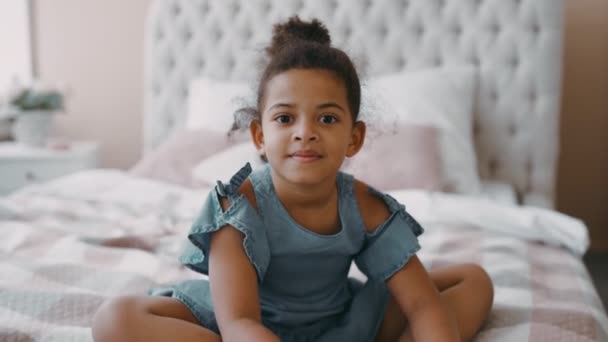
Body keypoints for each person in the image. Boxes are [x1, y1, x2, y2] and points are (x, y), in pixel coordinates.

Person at [92, 16, 493, 342]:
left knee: (472, 280)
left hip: (339, 324)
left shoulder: (366, 206)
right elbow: (238, 323)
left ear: (355, 138)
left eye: (328, 118)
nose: (305, 132)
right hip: (244, 328)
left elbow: (421, 303)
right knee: (115, 319)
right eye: (285, 118)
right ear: (260, 136)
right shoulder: (238, 207)